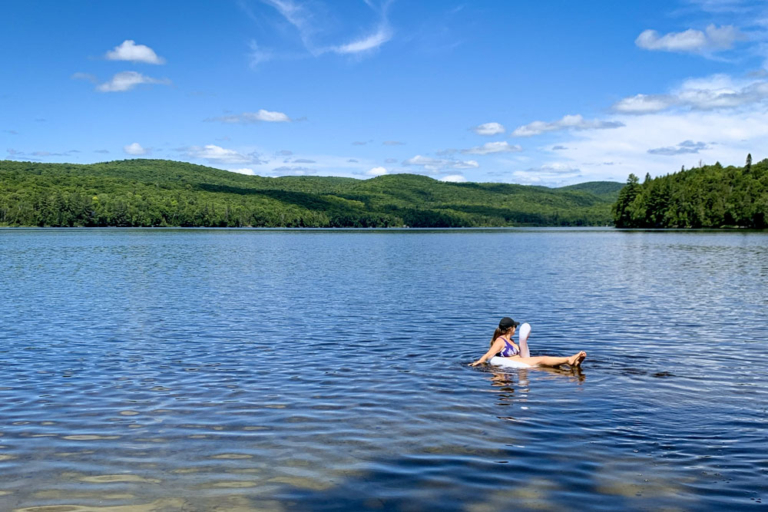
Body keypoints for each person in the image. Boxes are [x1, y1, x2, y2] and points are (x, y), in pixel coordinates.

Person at [470, 317, 586, 368]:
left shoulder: (511, 341)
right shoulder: (500, 341)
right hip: (517, 363)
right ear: (510, 328)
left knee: (546, 365)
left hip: (521, 362)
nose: (516, 328)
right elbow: (489, 354)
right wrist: (477, 363)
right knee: (542, 359)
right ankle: (569, 359)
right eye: (515, 326)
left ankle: (573, 364)